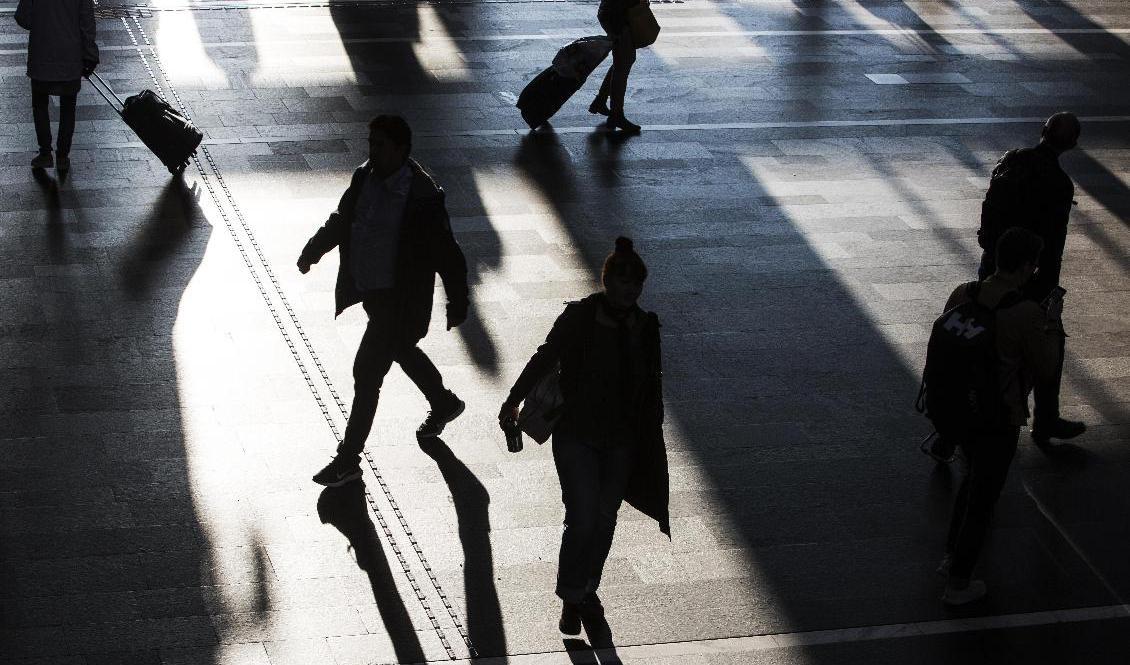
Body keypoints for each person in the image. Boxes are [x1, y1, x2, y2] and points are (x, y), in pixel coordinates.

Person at [499, 237, 669, 634]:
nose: (630, 290)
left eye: (637, 284)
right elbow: (545, 355)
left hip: (622, 439)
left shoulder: (646, 327)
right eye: (624, 282)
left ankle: (583, 593)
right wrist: (513, 400)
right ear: (607, 280)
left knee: (605, 519)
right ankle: (574, 595)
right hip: (577, 432)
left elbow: (652, 385)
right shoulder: (580, 316)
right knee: (582, 517)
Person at [299, 115, 469, 487]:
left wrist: (458, 300)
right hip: (374, 294)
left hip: (402, 301)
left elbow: (447, 253)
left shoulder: (422, 197)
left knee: (367, 374)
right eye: (370, 143)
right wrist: (314, 249)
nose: (372, 151)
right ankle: (443, 402)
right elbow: (344, 218)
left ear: (402, 151)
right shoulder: (365, 176)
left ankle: (347, 460)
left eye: (380, 145)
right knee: (403, 351)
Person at [938, 227, 1061, 605]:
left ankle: (951, 557)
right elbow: (1046, 367)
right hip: (998, 415)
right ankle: (958, 583)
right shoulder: (1024, 313)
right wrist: (1051, 322)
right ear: (1026, 267)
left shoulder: (963, 293)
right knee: (984, 498)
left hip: (958, 409)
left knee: (972, 478)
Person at [976, 112, 1085, 451]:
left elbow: (989, 211)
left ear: (1042, 131)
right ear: (1072, 144)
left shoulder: (1011, 162)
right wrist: (1049, 290)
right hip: (1030, 279)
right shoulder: (1059, 184)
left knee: (986, 338)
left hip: (993, 268)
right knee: (1051, 342)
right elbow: (1053, 245)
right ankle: (1046, 418)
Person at [15, 0, 98, 173]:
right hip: (71, 55)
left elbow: (23, 18)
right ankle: (62, 156)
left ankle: (45, 153)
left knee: (40, 104)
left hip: (41, 53)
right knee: (68, 107)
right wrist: (90, 54)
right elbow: (87, 21)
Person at [588, 0, 643, 134]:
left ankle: (601, 101)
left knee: (623, 61)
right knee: (623, 63)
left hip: (614, 14)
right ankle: (616, 114)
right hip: (617, 17)